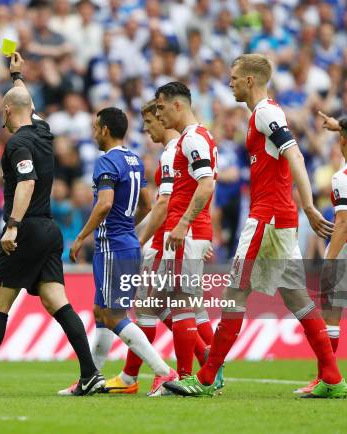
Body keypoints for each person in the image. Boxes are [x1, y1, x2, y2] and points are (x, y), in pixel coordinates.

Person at [164, 54, 347, 399]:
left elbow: (294, 155)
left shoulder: (265, 113)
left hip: (267, 217)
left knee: (235, 293)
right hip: (278, 217)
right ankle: (333, 378)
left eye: (234, 77)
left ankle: (204, 379)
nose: (230, 82)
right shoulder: (259, 115)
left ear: (249, 80)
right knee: (296, 298)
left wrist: (307, 204)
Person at [0, 52, 104, 396]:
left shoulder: (18, 142)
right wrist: (17, 77)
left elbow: (25, 183)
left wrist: (12, 225)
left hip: (25, 229)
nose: (3, 119)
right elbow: (27, 105)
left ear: (9, 111)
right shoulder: (43, 133)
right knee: (56, 300)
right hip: (48, 229)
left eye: (4, 112)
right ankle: (90, 373)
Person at [59, 107, 178, 397]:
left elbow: (104, 204)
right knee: (101, 311)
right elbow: (147, 205)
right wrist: (132, 233)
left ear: (105, 130)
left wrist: (80, 238)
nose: (92, 132)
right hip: (124, 242)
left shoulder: (106, 162)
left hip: (112, 245)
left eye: (95, 127)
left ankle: (165, 373)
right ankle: (91, 378)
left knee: (113, 314)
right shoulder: (134, 160)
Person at [104, 100, 213, 395]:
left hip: (169, 238)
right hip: (178, 235)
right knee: (163, 304)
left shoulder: (175, 150)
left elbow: (166, 204)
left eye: (151, 121)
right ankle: (205, 365)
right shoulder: (183, 147)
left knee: (159, 305)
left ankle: (176, 373)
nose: (147, 128)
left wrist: (139, 241)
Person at [152, 82, 218, 382]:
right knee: (178, 301)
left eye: (161, 107)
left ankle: (186, 376)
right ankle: (207, 368)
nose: (159, 113)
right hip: (190, 230)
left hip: (184, 231)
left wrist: (183, 224)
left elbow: (207, 185)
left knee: (180, 303)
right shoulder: (197, 137)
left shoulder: (192, 140)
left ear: (177, 105)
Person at [294, 114, 347, 394]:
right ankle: (325, 380)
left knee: (331, 315)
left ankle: (327, 381)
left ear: (342, 140)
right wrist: (340, 126)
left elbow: (343, 223)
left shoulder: (343, 177)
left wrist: (329, 259)